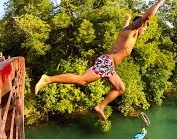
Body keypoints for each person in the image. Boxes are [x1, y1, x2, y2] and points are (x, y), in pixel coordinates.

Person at [35, 0, 165, 120]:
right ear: (139, 25)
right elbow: (147, 16)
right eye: (145, 28)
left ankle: (100, 107)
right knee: (81, 80)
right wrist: (160, 1)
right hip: (107, 62)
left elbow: (125, 27)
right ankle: (48, 79)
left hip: (110, 66)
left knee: (120, 88)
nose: (144, 31)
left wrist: (127, 19)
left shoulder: (128, 31)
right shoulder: (133, 30)